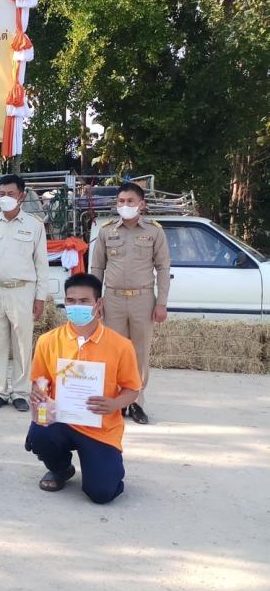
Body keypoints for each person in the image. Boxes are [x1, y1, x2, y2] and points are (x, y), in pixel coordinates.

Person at [26, 274, 141, 504]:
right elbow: (40, 380)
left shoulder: (121, 346)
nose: (76, 306)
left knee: (102, 493)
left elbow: (132, 389)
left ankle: (105, 468)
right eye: (71, 301)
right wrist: (38, 392)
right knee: (39, 435)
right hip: (61, 419)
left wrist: (115, 404)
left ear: (99, 304)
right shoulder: (48, 341)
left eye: (84, 301)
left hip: (100, 427)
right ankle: (61, 469)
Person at [89, 181, 170, 425]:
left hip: (143, 300)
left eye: (130, 201)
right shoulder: (106, 231)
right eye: (121, 201)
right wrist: (95, 299)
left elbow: (163, 268)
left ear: (141, 204)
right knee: (113, 351)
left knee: (139, 353)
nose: (125, 205)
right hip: (113, 299)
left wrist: (161, 303)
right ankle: (116, 402)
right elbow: (97, 267)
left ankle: (136, 402)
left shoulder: (154, 231)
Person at [0, 174, 49, 413]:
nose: (5, 197)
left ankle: (20, 392)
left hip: (22, 290)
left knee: (22, 344)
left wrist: (40, 297)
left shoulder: (35, 226)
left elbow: (41, 264)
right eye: (1, 194)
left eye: (11, 194)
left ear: (21, 196)